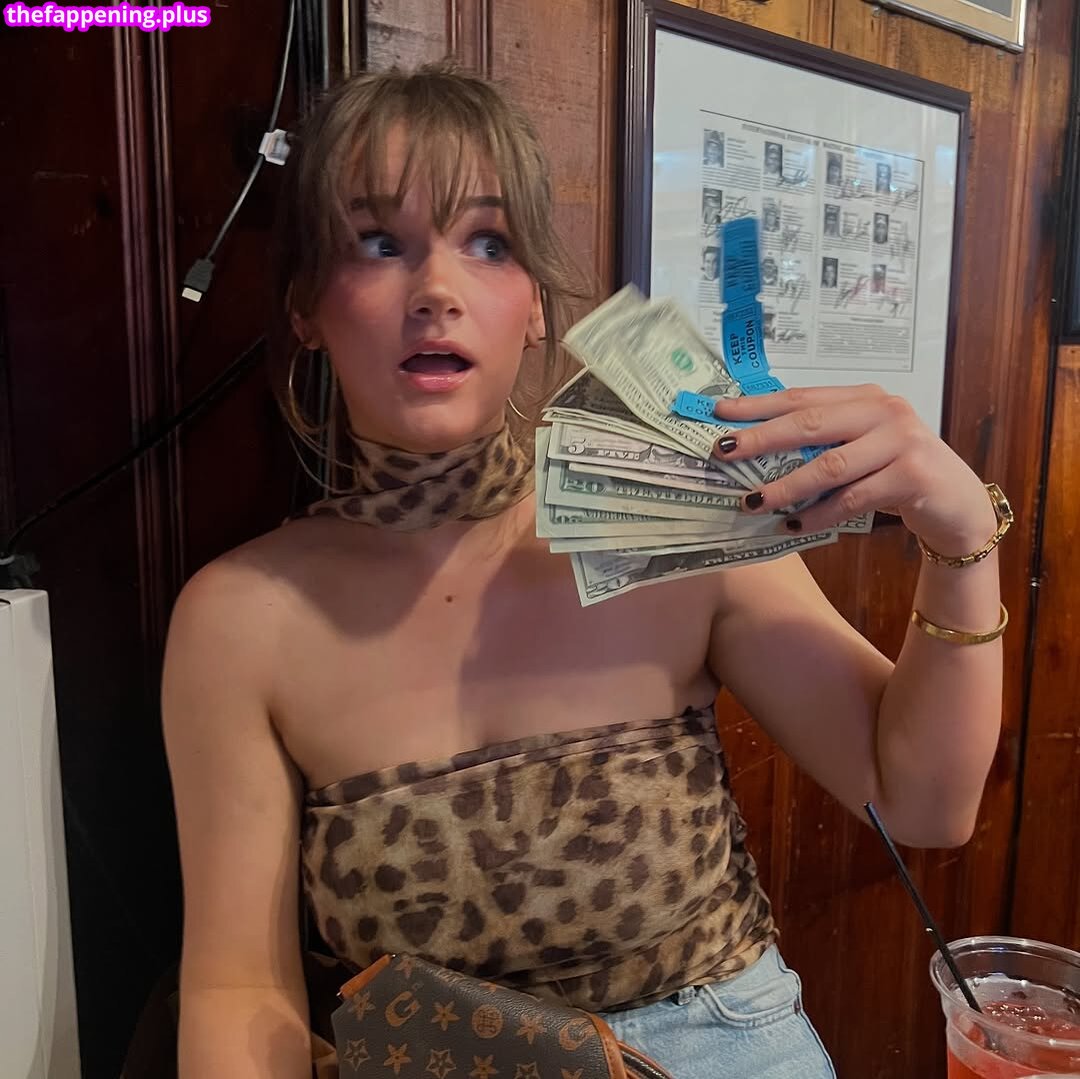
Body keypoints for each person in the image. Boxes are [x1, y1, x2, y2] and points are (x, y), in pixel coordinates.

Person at [163, 62, 1006, 1079]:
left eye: (488, 242)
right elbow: (237, 992)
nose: (436, 292)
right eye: (379, 243)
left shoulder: (676, 522)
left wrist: (963, 539)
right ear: (306, 303)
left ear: (532, 305)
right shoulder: (238, 620)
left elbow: (923, 802)